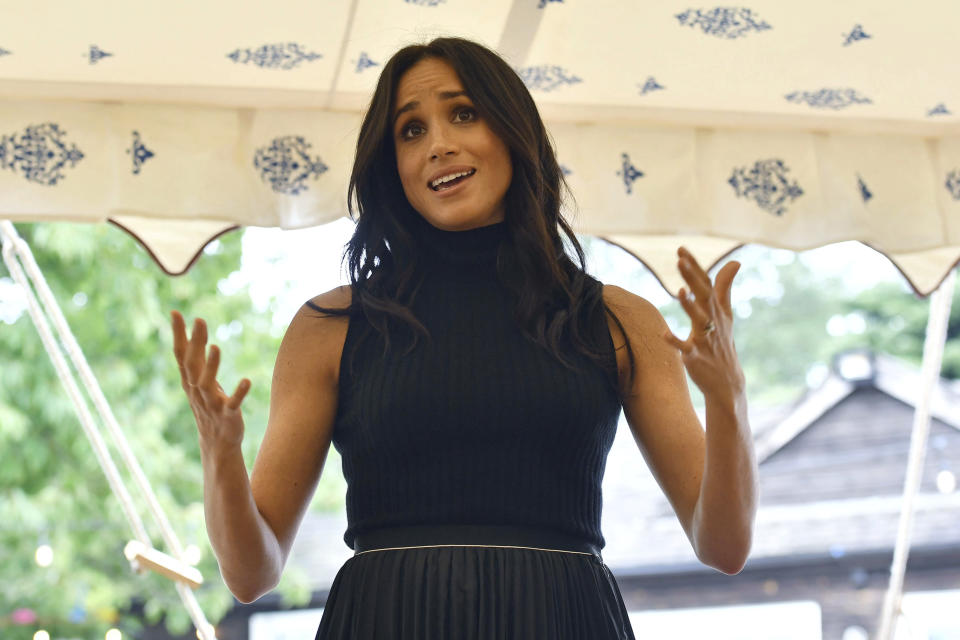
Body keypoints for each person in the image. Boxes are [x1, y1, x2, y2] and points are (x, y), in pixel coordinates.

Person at [171, 37, 758, 639]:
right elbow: (250, 576)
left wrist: (728, 402)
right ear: (390, 166)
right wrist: (220, 458)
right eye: (410, 131)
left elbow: (725, 547)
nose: (439, 145)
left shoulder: (620, 321)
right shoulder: (329, 328)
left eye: (463, 113)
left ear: (513, 130)